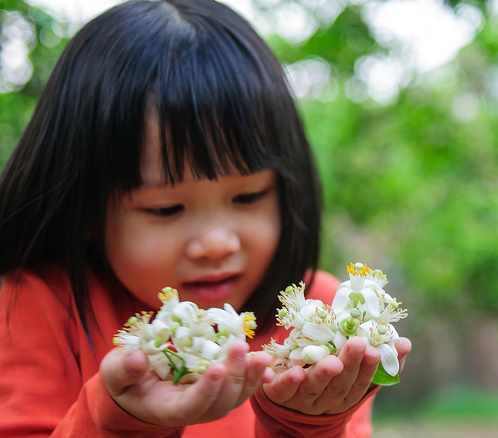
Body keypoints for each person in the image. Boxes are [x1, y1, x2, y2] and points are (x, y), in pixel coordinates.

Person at [0, 0, 412, 437]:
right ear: (84, 208)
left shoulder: (319, 315)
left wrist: (306, 426)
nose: (217, 243)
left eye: (248, 196)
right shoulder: (34, 304)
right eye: (166, 208)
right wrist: (122, 425)